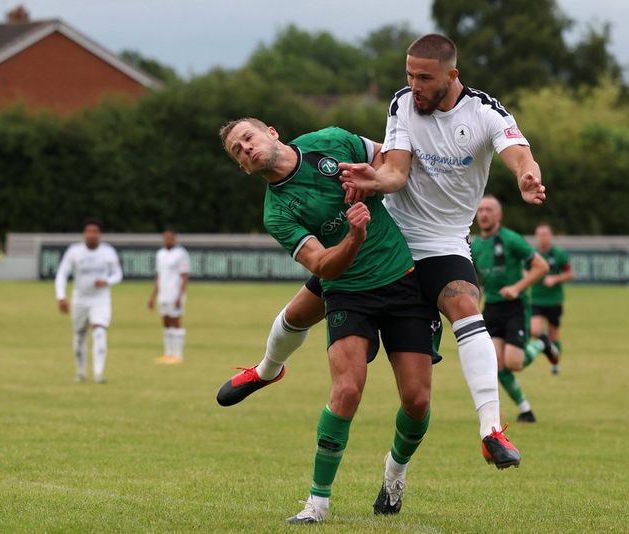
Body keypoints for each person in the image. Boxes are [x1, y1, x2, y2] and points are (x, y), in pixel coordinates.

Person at [216, 33, 546, 470]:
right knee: (298, 313)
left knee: (464, 307)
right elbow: (396, 171)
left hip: (443, 241)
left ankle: (491, 430)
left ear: (452, 75)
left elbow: (519, 153)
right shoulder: (403, 103)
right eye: (408, 74)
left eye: (423, 77)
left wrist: (526, 175)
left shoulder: (484, 111)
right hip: (389, 233)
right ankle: (265, 370)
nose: (414, 85)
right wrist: (374, 180)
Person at [218, 118, 437, 524]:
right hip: (348, 290)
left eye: (247, 138)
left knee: (418, 401)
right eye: (237, 152)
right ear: (244, 169)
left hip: (401, 279)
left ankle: (395, 474)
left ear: (271, 131)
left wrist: (371, 180)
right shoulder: (277, 212)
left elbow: (391, 159)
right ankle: (317, 503)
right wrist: (354, 236)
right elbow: (322, 265)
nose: (245, 149)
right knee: (347, 389)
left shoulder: (330, 141)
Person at [471, 196, 550, 423]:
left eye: (489, 210)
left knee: (514, 363)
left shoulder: (511, 239)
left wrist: (517, 288)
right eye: (481, 210)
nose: (484, 214)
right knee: (495, 364)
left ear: (499, 215)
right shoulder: (474, 246)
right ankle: (525, 409)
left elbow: (541, 266)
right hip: (492, 309)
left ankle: (542, 343)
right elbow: (477, 281)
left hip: (515, 307)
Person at [55, 218, 123, 383]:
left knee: (100, 331)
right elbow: (62, 274)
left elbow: (118, 274)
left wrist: (107, 281)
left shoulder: (108, 252)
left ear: (100, 234)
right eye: (89, 231)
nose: (91, 235)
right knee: (79, 335)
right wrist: (61, 296)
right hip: (80, 298)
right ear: (84, 234)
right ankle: (80, 372)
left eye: (95, 232)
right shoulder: (74, 251)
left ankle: (99, 373)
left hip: (101, 299)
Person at [529, 223, 574, 375]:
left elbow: (570, 274)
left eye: (545, 234)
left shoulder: (559, 254)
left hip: (554, 301)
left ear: (550, 236)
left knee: (554, 334)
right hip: (536, 299)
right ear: (536, 237)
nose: (543, 238)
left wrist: (555, 278)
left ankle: (555, 364)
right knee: (534, 329)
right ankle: (545, 343)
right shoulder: (532, 255)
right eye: (540, 235)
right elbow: (524, 272)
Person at [148, 229, 190, 364]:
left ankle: (178, 355)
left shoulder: (181, 253)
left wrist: (180, 296)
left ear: (175, 239)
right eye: (166, 238)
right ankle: (168, 353)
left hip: (174, 293)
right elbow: (158, 276)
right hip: (163, 294)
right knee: (165, 322)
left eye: (170, 238)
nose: (168, 241)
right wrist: (153, 296)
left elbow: (184, 276)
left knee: (176, 322)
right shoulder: (160, 254)